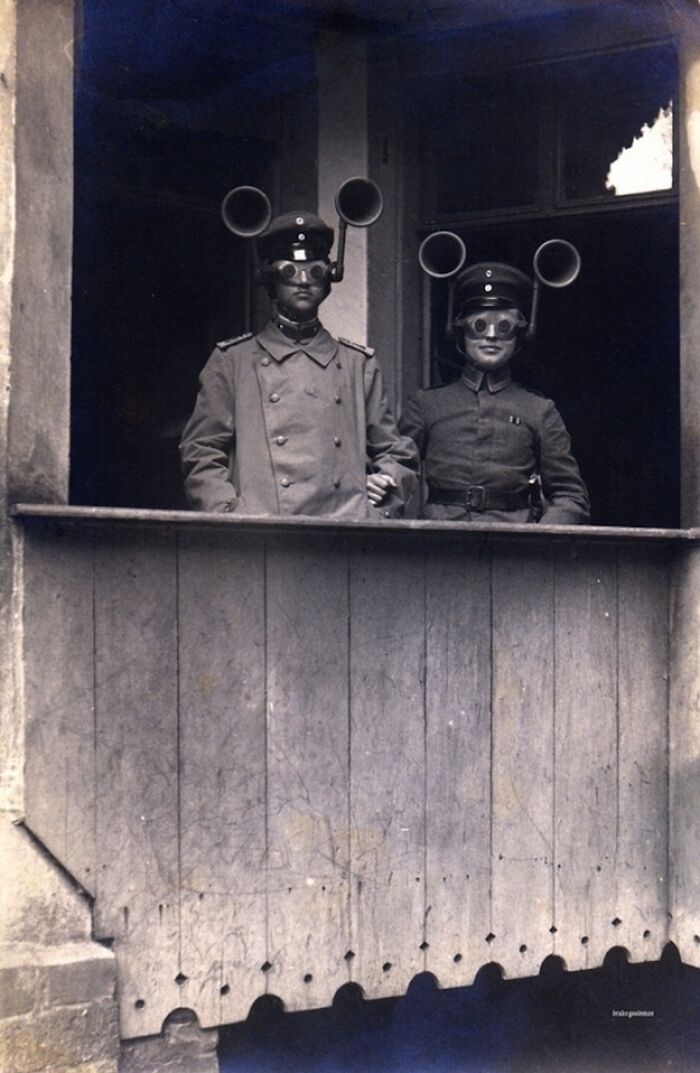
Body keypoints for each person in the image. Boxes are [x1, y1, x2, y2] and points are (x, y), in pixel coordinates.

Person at [180, 211, 418, 518]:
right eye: (290, 271)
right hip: (264, 534)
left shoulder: (357, 364)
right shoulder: (232, 361)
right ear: (271, 280)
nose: (304, 282)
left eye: (315, 271)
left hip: (343, 529)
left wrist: (385, 488)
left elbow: (395, 451)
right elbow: (201, 451)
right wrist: (231, 514)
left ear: (328, 278)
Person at [399, 261, 590, 524]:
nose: (491, 336)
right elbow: (394, 471)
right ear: (461, 330)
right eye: (479, 325)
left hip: (512, 549)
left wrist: (538, 537)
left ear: (520, 334)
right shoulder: (427, 405)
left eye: (504, 327)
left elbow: (571, 496)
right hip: (439, 546)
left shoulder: (539, 410)